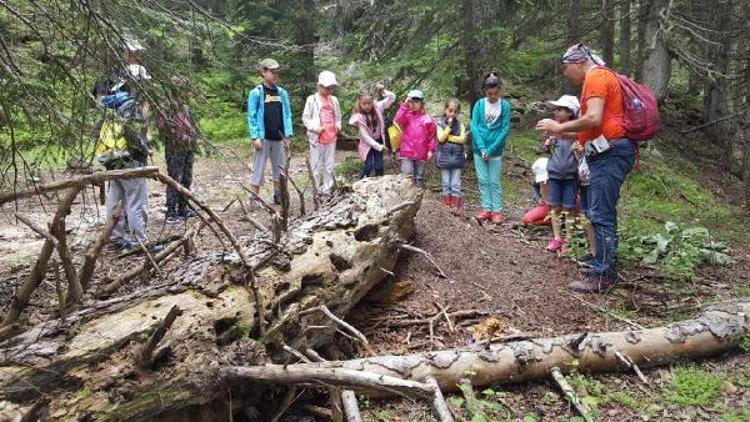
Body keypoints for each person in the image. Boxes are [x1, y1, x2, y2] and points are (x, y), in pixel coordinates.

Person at [535, 43, 635, 293]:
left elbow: (594, 118)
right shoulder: (597, 77)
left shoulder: (597, 76)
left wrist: (558, 128)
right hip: (600, 153)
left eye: (567, 68)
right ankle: (600, 261)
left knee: (601, 215)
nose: (566, 74)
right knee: (592, 211)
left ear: (579, 62)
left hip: (610, 153)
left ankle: (604, 275)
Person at [92, 81, 153, 251]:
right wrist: (147, 150)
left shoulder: (109, 105)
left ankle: (114, 239)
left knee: (115, 199)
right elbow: (134, 134)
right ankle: (138, 242)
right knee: (136, 203)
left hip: (111, 159)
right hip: (130, 161)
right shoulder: (131, 105)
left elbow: (95, 132)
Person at [157, 76, 203, 224]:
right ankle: (171, 211)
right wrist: (189, 139)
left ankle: (183, 207)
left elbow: (192, 126)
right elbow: (165, 129)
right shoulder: (167, 106)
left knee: (186, 178)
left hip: (188, 149)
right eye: (184, 89)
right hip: (174, 149)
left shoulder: (185, 107)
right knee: (174, 179)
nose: (187, 93)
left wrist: (196, 137)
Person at [247, 58, 293, 206]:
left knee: (279, 167)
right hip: (263, 136)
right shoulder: (256, 93)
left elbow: (287, 114)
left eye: (277, 72)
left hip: (279, 136)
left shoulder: (282, 93)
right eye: (272, 72)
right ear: (263, 71)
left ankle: (278, 194)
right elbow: (252, 115)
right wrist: (255, 137)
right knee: (259, 166)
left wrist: (288, 134)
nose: (275, 75)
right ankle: (254, 197)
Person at [470, 72, 511, 224]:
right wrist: (481, 148)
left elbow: (505, 128)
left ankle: (497, 210)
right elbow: (474, 126)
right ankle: (486, 208)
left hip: (496, 150)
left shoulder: (505, 106)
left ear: (499, 90)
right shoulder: (479, 104)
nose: (492, 96)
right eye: (489, 94)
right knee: (482, 180)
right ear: (484, 92)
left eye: (495, 93)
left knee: (494, 180)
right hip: (479, 149)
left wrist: (492, 149)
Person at [542, 95, 580, 252]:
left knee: (569, 208)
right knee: (554, 206)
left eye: (560, 110)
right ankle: (557, 237)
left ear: (570, 112)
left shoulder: (576, 130)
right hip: (554, 174)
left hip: (571, 175)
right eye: (555, 109)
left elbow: (581, 151)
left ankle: (569, 239)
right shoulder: (552, 130)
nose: (556, 113)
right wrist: (547, 145)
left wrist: (579, 149)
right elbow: (549, 152)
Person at [303, 71, 342, 202]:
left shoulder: (334, 100)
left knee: (329, 164)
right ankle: (316, 190)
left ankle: (327, 190)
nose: (329, 90)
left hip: (331, 137)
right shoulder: (312, 100)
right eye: (326, 87)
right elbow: (306, 118)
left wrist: (338, 125)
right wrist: (315, 128)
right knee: (316, 165)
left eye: (331, 87)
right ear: (319, 86)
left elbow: (338, 117)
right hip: (317, 138)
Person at [349, 84, 396, 178]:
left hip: (378, 140)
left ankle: (379, 183)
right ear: (360, 104)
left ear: (372, 102)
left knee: (379, 166)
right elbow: (365, 137)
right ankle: (362, 183)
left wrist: (383, 91)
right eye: (364, 104)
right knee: (369, 166)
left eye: (369, 103)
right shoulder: (359, 117)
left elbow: (392, 97)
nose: (367, 106)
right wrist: (379, 147)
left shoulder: (378, 107)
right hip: (368, 144)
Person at [394, 90, 436, 187]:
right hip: (407, 152)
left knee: (419, 177)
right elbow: (398, 118)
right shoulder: (407, 116)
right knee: (407, 177)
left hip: (421, 153)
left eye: (416, 102)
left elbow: (432, 136)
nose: (413, 105)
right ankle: (407, 199)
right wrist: (404, 105)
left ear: (422, 103)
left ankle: (418, 198)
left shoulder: (428, 119)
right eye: (411, 102)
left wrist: (431, 150)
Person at [435, 98, 467, 214]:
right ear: (445, 110)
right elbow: (441, 138)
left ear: (458, 113)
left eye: (455, 112)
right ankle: (446, 206)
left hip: (457, 159)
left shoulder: (461, 125)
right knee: (446, 183)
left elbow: (463, 139)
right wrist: (448, 127)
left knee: (456, 184)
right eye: (450, 110)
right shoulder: (440, 124)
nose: (452, 114)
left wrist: (450, 138)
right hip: (444, 159)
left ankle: (456, 206)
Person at [522, 156, 551, 226]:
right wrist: (538, 198)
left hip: (563, 206)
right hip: (547, 205)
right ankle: (553, 221)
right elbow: (534, 186)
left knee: (527, 219)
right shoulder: (539, 180)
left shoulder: (560, 176)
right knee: (527, 220)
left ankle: (558, 221)